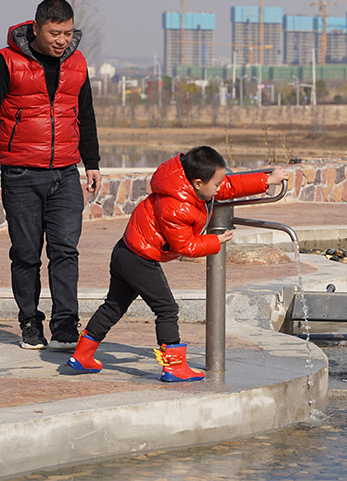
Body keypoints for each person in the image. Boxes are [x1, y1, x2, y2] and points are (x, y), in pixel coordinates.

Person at [67, 146, 287, 382]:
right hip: (139, 259)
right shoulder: (177, 206)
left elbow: (228, 186)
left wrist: (267, 181)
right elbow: (185, 247)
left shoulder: (182, 183)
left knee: (114, 306)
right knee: (167, 309)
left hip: (126, 251)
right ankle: (173, 366)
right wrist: (215, 240)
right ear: (198, 183)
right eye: (215, 184)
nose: (219, 187)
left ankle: (83, 355)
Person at [0, 0, 101, 351]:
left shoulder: (77, 62)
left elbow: (84, 115)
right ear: (37, 28)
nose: (62, 40)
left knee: (65, 251)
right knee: (27, 253)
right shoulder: (7, 61)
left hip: (65, 173)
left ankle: (65, 324)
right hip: (21, 173)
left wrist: (92, 164)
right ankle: (30, 321)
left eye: (68, 32)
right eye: (55, 33)